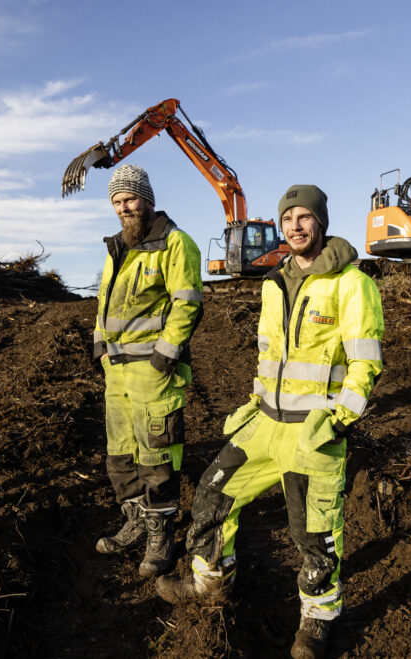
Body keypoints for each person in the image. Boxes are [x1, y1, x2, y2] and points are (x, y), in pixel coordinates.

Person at [156, 185, 384, 659]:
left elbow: (366, 363)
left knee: (313, 531)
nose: (296, 227)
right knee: (211, 495)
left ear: (320, 223)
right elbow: (270, 359)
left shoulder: (351, 282)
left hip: (314, 430)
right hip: (265, 423)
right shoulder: (272, 284)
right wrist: (253, 404)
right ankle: (211, 584)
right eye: (289, 219)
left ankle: (317, 619)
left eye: (305, 218)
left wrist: (339, 420)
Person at [93, 164, 203, 576]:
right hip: (117, 373)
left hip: (154, 372)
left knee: (158, 453)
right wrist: (100, 348)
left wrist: (163, 357)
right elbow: (103, 302)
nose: (124, 208)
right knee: (121, 452)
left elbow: (187, 303)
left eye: (130, 199)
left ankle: (161, 534)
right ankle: (136, 520)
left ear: (148, 199)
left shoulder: (175, 243)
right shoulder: (117, 248)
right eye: (117, 202)